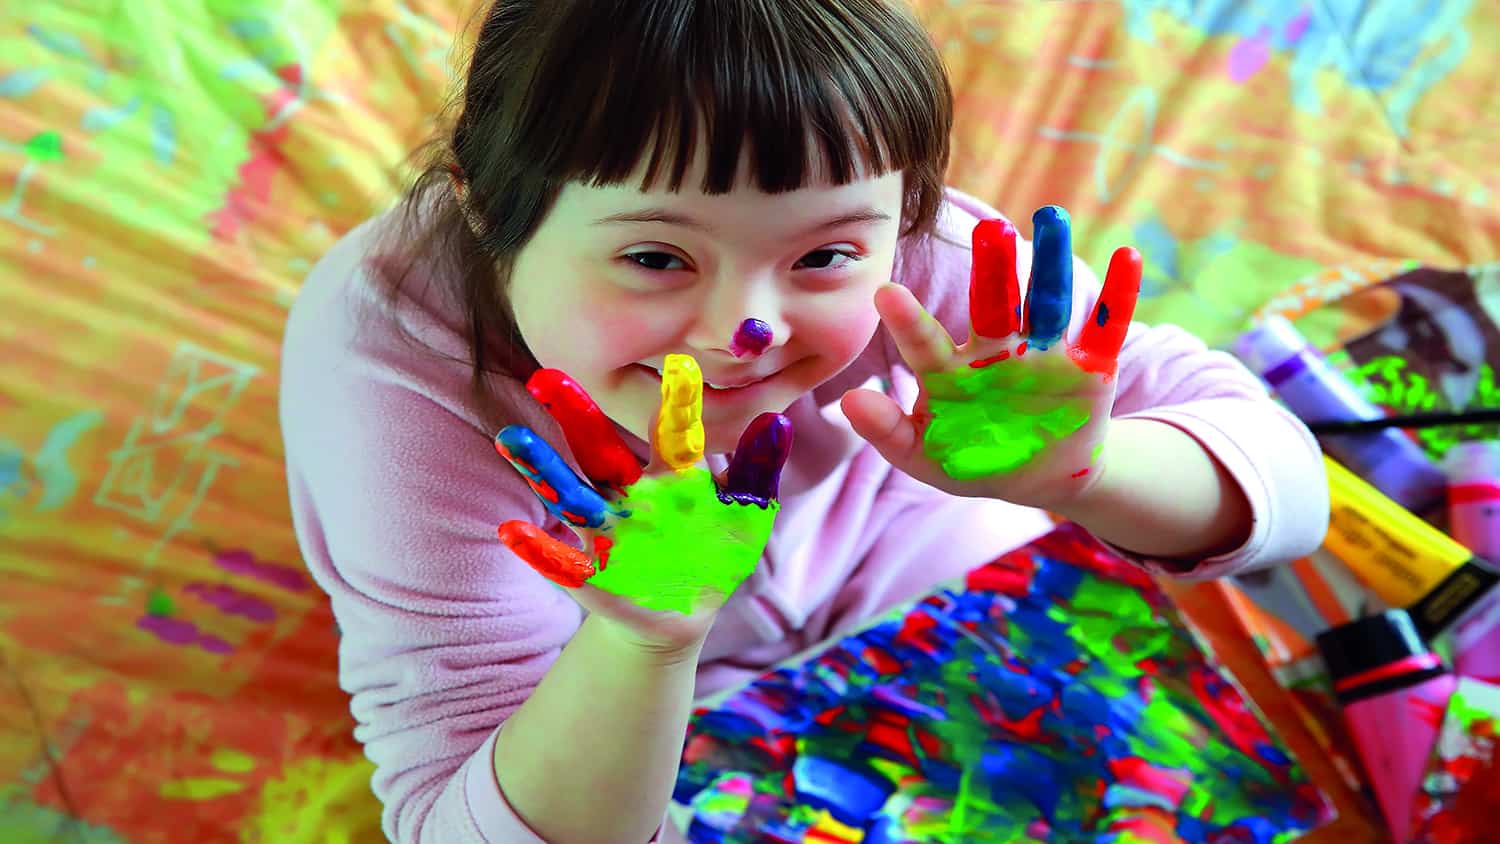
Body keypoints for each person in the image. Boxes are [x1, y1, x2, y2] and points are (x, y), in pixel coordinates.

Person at [278, 1, 1328, 841]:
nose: (748, 330)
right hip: (624, 698)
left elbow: (1293, 492)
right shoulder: (390, 365)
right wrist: (641, 638)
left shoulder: (932, 264)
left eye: (824, 253)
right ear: (481, 201)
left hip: (933, 563)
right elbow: (455, 822)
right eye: (655, 256)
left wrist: (1081, 474)